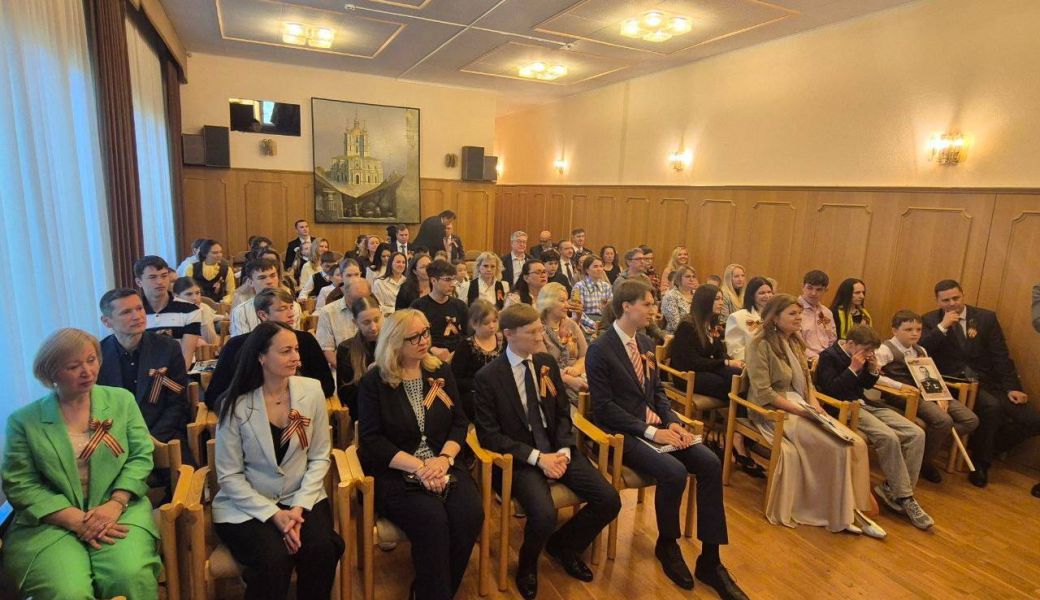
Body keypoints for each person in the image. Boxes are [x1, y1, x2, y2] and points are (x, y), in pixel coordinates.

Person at [586, 279, 746, 598]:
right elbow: (604, 408)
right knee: (673, 472)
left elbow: (657, 391)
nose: (653, 310)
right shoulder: (600, 349)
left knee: (710, 463)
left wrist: (673, 422)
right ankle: (667, 543)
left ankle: (710, 559)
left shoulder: (645, 342)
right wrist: (651, 431)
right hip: (624, 433)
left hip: (657, 425)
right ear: (626, 306)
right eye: (647, 304)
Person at [473, 303, 620, 599]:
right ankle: (527, 565)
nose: (540, 338)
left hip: (557, 447)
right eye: (532, 333)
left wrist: (564, 448)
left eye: (540, 330)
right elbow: (489, 436)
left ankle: (564, 546)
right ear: (508, 334)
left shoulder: (546, 363)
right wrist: (538, 458)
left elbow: (563, 412)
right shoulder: (489, 377)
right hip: (522, 458)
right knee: (543, 515)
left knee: (609, 500)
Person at [2, 328, 160, 598]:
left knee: (128, 575)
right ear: (51, 373)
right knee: (67, 590)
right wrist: (75, 519)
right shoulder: (24, 421)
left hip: (119, 509)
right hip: (51, 521)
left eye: (91, 360)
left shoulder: (121, 400)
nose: (87, 371)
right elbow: (20, 483)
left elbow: (140, 455)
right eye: (73, 366)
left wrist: (116, 502)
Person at [356, 309, 484, 600]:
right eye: (414, 337)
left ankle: (434, 591)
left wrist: (443, 460)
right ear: (394, 342)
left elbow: (459, 422)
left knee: (469, 515)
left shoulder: (440, 371)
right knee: (432, 521)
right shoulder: (375, 381)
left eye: (425, 332)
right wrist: (419, 467)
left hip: (443, 463)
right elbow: (371, 440)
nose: (424, 340)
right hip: (397, 470)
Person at [212, 322, 343, 600]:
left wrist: (298, 508)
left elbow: (320, 456)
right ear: (261, 357)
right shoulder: (235, 405)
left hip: (300, 494)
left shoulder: (311, 390)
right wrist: (274, 514)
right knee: (273, 560)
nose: (296, 357)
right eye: (285, 351)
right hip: (248, 504)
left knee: (321, 548)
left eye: (296, 349)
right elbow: (229, 476)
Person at [745, 294, 879, 537]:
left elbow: (807, 383)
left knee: (853, 442)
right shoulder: (760, 344)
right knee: (835, 447)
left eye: (799, 313)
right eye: (792, 314)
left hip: (802, 404)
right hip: (775, 409)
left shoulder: (795, 342)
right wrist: (801, 411)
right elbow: (764, 392)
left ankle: (850, 509)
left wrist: (815, 406)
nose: (799, 318)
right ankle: (832, 512)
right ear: (774, 317)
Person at [920, 279, 1040, 488]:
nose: (952, 303)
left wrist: (1012, 387)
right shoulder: (930, 321)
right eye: (946, 300)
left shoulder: (985, 318)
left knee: (1033, 420)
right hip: (955, 385)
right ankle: (981, 464)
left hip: (988, 382)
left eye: (956, 298)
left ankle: (986, 447)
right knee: (992, 408)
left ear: (963, 296)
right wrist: (942, 327)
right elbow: (921, 353)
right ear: (938, 302)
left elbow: (1000, 356)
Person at [816, 325, 933, 530]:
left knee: (916, 433)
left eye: (872, 351)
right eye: (867, 350)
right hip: (845, 408)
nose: (869, 353)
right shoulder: (829, 356)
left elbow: (867, 385)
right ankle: (905, 497)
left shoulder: (862, 356)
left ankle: (893, 490)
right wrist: (853, 368)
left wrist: (871, 369)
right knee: (888, 437)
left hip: (866, 404)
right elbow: (831, 389)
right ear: (851, 344)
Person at [875, 310, 979, 484]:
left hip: (929, 392)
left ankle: (924, 448)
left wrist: (941, 396)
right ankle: (925, 462)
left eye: (918, 329)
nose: (914, 333)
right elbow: (873, 376)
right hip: (904, 395)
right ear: (894, 330)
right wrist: (900, 386)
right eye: (908, 330)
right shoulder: (885, 349)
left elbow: (931, 375)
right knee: (944, 421)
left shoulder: (921, 350)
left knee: (970, 420)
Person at [96, 288, 191, 462]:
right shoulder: (98, 356)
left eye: (139, 308)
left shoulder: (167, 348)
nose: (137, 316)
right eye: (126, 312)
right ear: (107, 322)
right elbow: (96, 408)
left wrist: (151, 439)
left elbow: (178, 403)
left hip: (164, 434)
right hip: (118, 441)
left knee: (188, 473)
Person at [206, 289, 334, 411]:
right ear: (263, 315)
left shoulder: (306, 340)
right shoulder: (236, 345)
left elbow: (327, 386)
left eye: (291, 307)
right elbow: (214, 396)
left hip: (299, 409)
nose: (291, 314)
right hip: (250, 412)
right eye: (282, 309)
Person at [670, 284, 744, 402]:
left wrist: (734, 362)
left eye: (721, 299)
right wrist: (726, 362)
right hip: (686, 374)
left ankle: (738, 411)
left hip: (704, 368)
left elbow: (719, 353)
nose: (721, 303)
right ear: (704, 301)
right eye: (717, 299)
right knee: (728, 384)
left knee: (739, 375)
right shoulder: (687, 326)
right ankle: (736, 411)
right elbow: (692, 361)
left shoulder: (711, 323)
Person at [135, 255, 201, 368]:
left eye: (164, 276)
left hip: (179, 371)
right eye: (152, 277)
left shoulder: (189, 310)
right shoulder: (134, 313)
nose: (160, 282)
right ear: (139, 282)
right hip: (143, 372)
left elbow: (186, 356)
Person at [449, 300, 503, 419]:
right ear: (474, 324)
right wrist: (480, 384)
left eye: (495, 321)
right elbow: (456, 380)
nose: (492, 326)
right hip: (475, 393)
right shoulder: (465, 346)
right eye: (486, 323)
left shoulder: (503, 341)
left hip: (500, 388)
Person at [411, 259, 469, 361]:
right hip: (428, 355)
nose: (452, 284)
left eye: (453, 280)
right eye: (447, 279)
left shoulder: (460, 305)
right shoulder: (418, 306)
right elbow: (413, 336)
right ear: (433, 281)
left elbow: (468, 334)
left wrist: (458, 351)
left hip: (457, 355)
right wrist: (431, 349)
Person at [537, 283, 588, 398]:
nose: (567, 305)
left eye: (567, 300)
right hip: (551, 382)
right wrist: (567, 379)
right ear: (547, 303)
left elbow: (585, 355)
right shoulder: (538, 329)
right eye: (562, 301)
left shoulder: (571, 324)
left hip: (577, 376)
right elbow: (543, 365)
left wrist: (575, 369)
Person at [335, 296, 383, 418]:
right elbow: (346, 395)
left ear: (382, 315)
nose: (373, 327)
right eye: (366, 322)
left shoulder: (394, 344)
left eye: (376, 320)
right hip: (364, 412)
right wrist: (370, 378)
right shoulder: (346, 349)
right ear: (355, 323)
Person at [230, 258, 302, 337]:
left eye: (273, 276)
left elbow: (296, 339)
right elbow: (241, 343)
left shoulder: (294, 307)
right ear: (250, 282)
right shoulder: (240, 312)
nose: (269, 281)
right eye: (262, 278)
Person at [316, 277, 372, 367]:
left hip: (371, 366)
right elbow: (326, 349)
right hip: (341, 365)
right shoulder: (327, 312)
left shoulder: (375, 310)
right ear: (345, 293)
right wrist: (344, 369)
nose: (360, 304)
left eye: (363, 299)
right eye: (355, 299)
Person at [725, 276, 774, 362]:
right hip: (750, 363)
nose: (767, 296)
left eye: (769, 292)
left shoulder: (777, 316)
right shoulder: (738, 317)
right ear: (752, 295)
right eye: (762, 293)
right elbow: (735, 350)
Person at [797, 269, 836, 358]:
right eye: (810, 288)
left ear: (825, 290)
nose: (813, 293)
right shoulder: (794, 311)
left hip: (827, 358)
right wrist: (819, 358)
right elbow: (796, 344)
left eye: (819, 289)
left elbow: (832, 340)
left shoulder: (827, 313)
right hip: (805, 358)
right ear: (802, 287)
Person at [173, 276, 222, 346]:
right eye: (189, 294)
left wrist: (202, 316)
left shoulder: (204, 307)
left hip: (206, 351)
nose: (195, 298)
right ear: (176, 296)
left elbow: (212, 342)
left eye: (197, 293)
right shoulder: (171, 313)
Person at [572, 254, 613, 336]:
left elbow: (612, 310)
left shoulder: (606, 286)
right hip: (586, 324)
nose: (599, 269)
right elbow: (576, 313)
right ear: (587, 270)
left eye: (601, 266)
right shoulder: (579, 286)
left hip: (604, 323)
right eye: (595, 266)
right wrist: (593, 324)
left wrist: (604, 322)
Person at [660, 265, 699, 333]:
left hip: (697, 332)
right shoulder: (670, 296)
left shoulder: (697, 295)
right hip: (678, 335)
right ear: (679, 278)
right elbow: (676, 325)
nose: (691, 279)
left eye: (693, 276)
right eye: (688, 276)